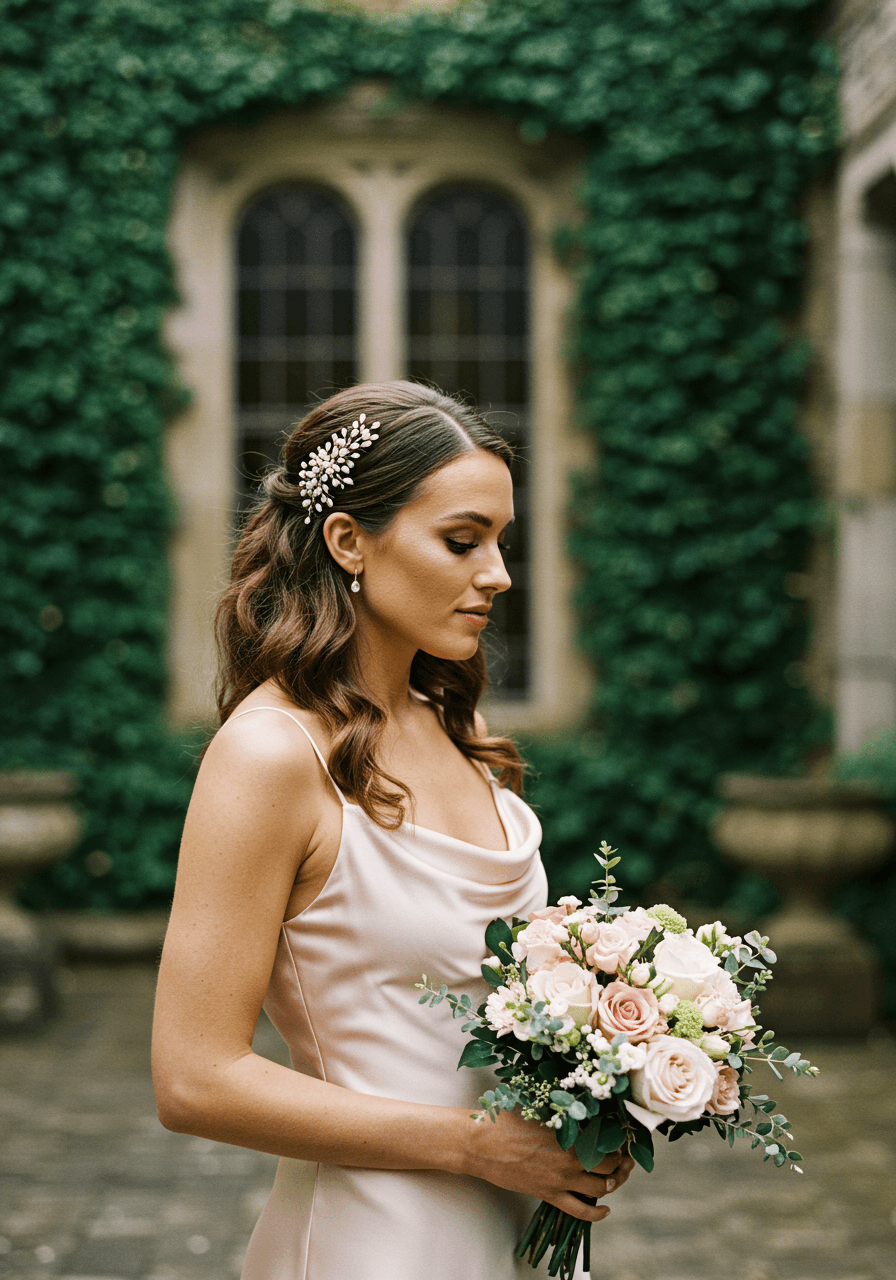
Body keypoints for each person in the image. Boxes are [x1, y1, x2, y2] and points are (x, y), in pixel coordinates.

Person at [152, 381, 634, 1279]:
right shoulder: (269, 755)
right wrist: (474, 1145)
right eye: (462, 540)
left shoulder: (456, 727)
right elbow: (194, 1079)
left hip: (514, 1233)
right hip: (373, 1242)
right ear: (349, 541)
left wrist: (605, 1088)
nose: (499, 574)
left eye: (501, 540)